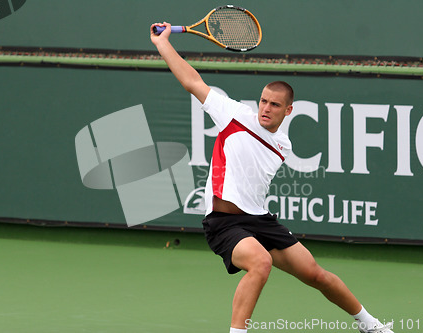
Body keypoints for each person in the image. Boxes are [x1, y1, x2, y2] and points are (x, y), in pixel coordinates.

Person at [150, 22, 394, 333]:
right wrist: (163, 44)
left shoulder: (283, 146)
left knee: (316, 274)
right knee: (260, 263)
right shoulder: (233, 115)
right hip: (223, 222)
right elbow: (192, 81)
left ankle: (369, 324)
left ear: (288, 111)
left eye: (274, 105)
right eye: (263, 101)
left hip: (261, 220)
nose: (266, 108)